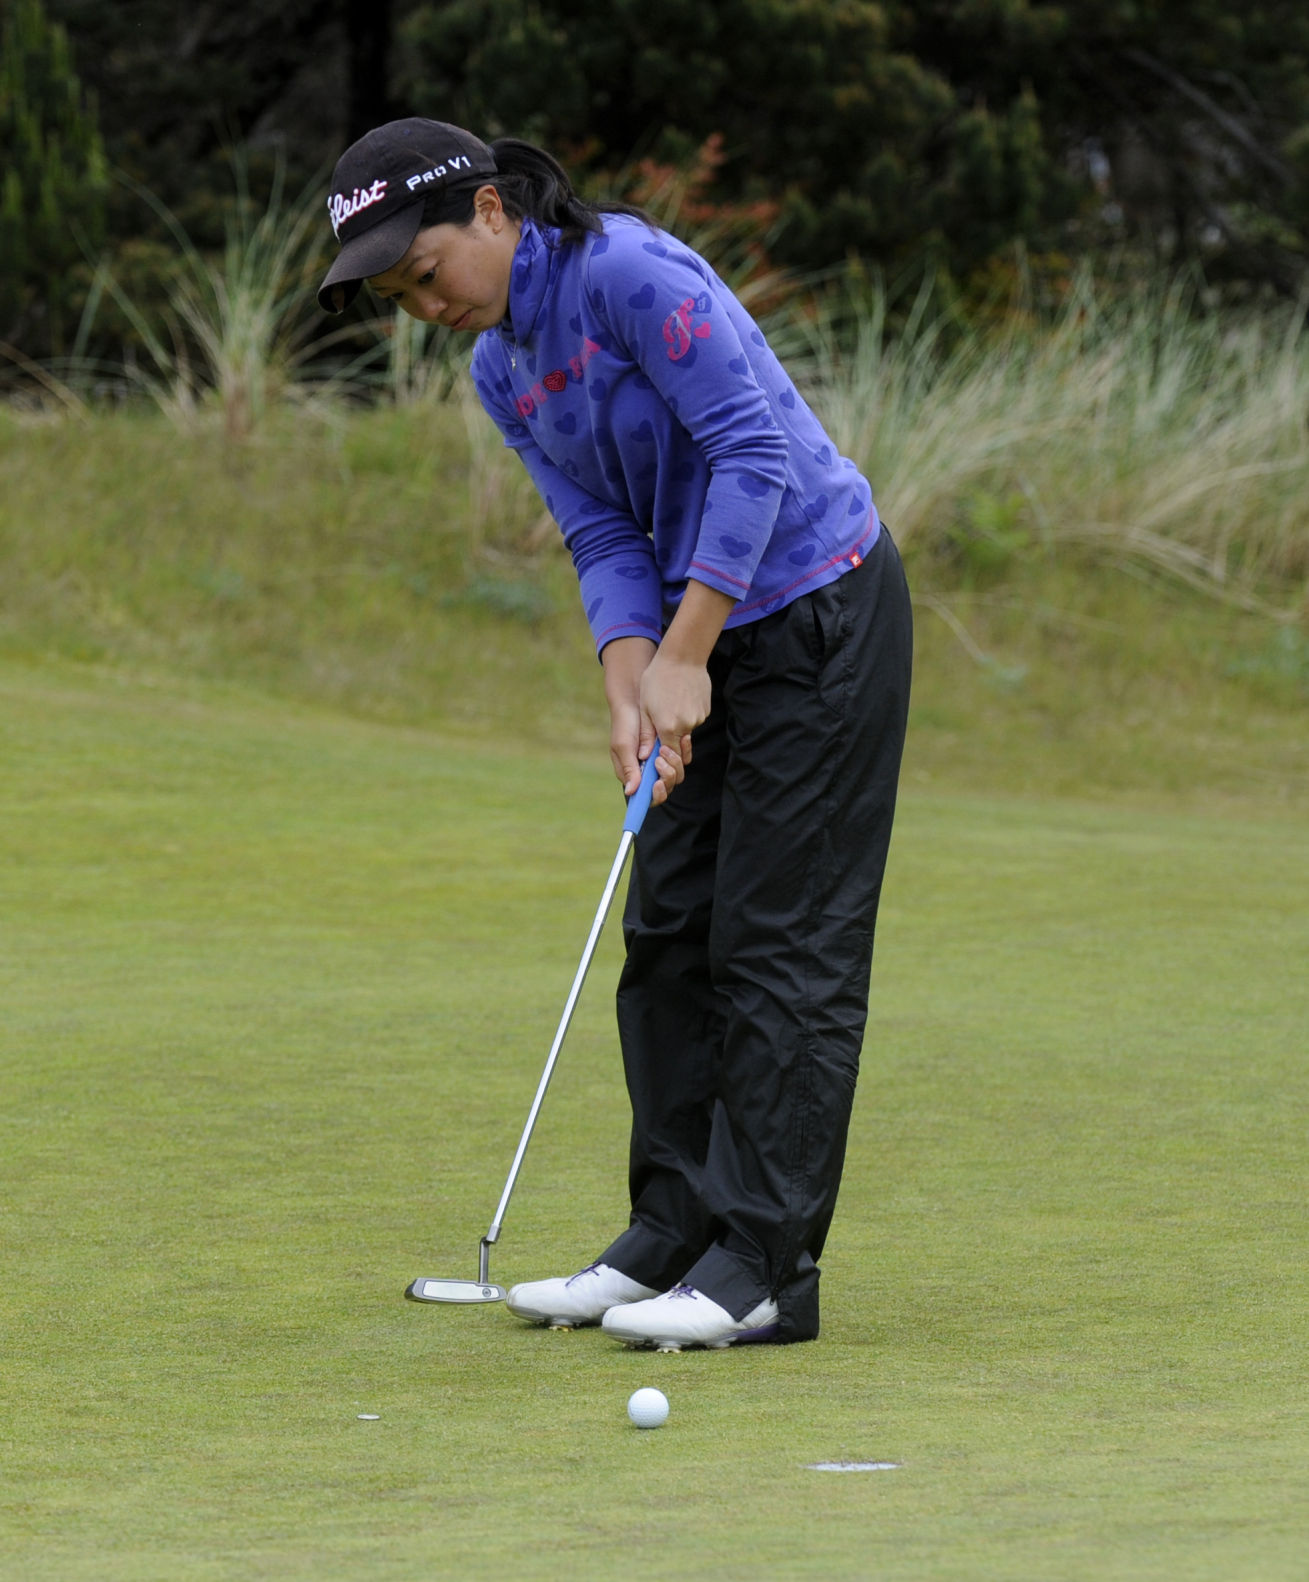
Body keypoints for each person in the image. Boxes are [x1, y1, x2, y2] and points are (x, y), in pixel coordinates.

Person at [319, 118, 913, 1350]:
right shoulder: (500, 367)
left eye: (423, 271)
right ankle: (670, 1234)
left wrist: (689, 654)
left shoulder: (628, 276)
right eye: (394, 296)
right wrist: (631, 683)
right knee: (668, 930)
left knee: (776, 944)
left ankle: (763, 1263)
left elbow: (750, 456)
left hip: (816, 607)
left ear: (489, 210)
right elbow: (601, 535)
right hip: (701, 633)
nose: (422, 304)